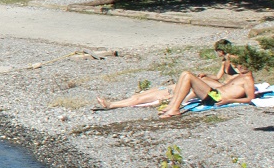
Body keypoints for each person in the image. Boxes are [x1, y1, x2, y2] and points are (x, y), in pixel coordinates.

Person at [95, 45, 258, 118]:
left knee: (187, 75)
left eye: (240, 65)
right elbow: (221, 77)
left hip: (218, 98)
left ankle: (174, 108)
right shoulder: (238, 76)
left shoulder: (248, 79)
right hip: (215, 94)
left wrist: (230, 100)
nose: (237, 67)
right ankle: (173, 106)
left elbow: (250, 98)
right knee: (185, 75)